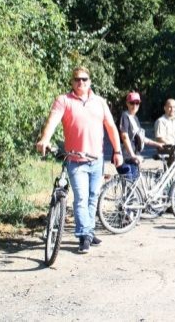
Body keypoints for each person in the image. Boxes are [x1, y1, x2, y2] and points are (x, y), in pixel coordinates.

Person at [36, 66, 123, 254]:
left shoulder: (99, 102)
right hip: (75, 160)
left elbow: (111, 126)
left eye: (84, 79)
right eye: (77, 79)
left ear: (90, 81)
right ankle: (84, 235)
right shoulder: (64, 101)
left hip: (96, 159)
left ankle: (89, 231)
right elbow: (52, 121)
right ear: (72, 82)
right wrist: (45, 139)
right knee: (81, 198)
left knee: (93, 198)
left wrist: (117, 151)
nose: (80, 82)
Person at [117, 91, 163, 179]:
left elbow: (141, 138)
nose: (135, 105)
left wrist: (158, 144)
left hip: (133, 157)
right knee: (130, 186)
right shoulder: (124, 116)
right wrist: (132, 155)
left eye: (137, 103)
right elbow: (124, 136)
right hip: (125, 157)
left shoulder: (135, 118)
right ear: (127, 103)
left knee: (134, 186)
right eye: (132, 103)